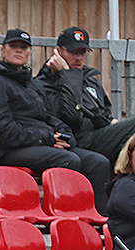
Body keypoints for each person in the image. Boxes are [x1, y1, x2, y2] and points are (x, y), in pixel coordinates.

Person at [0, 28, 111, 213]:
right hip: (10, 149)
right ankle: (66, 217)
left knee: (99, 162)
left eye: (24, 47)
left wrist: (65, 136)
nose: (19, 50)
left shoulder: (30, 83)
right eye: (13, 46)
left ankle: (101, 221)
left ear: (29, 52)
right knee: (68, 159)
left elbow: (49, 117)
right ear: (3, 51)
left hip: (40, 143)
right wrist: (48, 137)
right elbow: (3, 131)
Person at [36, 26, 135, 166]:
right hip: (75, 141)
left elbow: (104, 111)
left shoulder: (90, 79)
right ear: (58, 52)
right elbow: (71, 117)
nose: (78, 58)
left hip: (99, 135)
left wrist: (111, 122)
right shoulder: (45, 83)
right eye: (73, 52)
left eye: (82, 52)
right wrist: (67, 74)